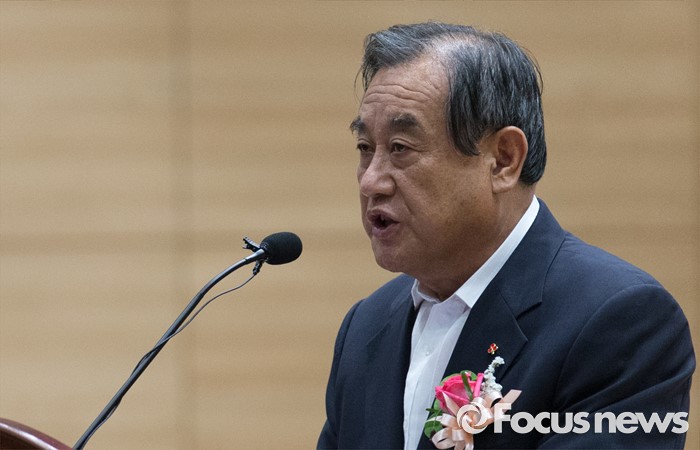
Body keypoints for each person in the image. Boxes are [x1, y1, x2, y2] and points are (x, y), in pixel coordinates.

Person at [317, 22, 695, 450]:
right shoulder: (368, 326)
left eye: (401, 148)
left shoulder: (620, 321)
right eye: (365, 148)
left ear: (503, 160)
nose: (371, 181)